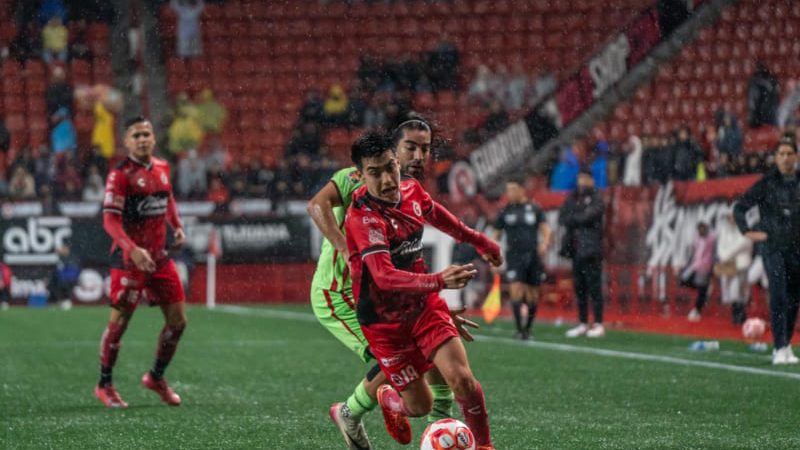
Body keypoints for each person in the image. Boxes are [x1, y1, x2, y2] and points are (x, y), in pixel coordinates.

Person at [308, 114, 469, 450]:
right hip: (342, 294)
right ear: (394, 149)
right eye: (410, 147)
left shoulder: (408, 191)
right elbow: (316, 204)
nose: (418, 156)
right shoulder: (357, 178)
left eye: (424, 149)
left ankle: (440, 421)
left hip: (390, 296)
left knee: (434, 344)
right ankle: (350, 412)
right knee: (399, 355)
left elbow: (406, 263)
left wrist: (434, 311)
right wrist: (343, 247)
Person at [344, 131, 501, 450]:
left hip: (422, 305)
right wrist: (441, 280)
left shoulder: (411, 190)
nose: (387, 180)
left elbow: (445, 220)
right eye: (375, 173)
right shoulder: (363, 218)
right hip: (384, 322)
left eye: (391, 167)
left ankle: (484, 446)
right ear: (360, 176)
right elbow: (385, 277)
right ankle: (389, 399)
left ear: (397, 162)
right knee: (420, 407)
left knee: (462, 380)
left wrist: (480, 241)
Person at [95, 116, 188, 408]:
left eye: (147, 133)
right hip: (129, 261)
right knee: (119, 324)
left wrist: (177, 224)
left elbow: (167, 198)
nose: (143, 139)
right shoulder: (120, 174)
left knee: (178, 323)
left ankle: (156, 377)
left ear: (154, 138)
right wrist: (132, 249)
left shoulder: (162, 167)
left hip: (160, 259)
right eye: (136, 135)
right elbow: (109, 220)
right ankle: (104, 384)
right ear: (126, 141)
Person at [734, 136, 800, 365]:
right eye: (781, 154)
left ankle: (785, 346)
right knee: (779, 295)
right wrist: (748, 231)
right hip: (773, 247)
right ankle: (779, 346)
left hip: (796, 248)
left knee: (793, 299)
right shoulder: (767, 182)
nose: (784, 158)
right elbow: (740, 207)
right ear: (775, 157)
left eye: (789, 153)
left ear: (796, 156)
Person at [493, 179, 551, 340]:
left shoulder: (535, 208)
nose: (509, 193)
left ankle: (528, 328)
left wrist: (545, 243)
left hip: (533, 256)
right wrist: (493, 254)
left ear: (522, 190)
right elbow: (496, 234)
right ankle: (519, 329)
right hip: (514, 256)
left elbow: (545, 229)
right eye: (508, 190)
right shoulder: (505, 211)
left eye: (512, 189)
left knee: (532, 294)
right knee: (516, 289)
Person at [560, 168, 606, 338]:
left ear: (591, 181)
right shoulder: (573, 197)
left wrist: (575, 218)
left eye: (585, 179)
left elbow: (588, 217)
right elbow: (563, 217)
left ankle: (599, 323)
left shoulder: (596, 198)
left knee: (594, 288)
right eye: (580, 178)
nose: (581, 182)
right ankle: (583, 323)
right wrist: (577, 218)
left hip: (591, 250)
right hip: (575, 249)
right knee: (579, 288)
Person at [716, 212, 753, 325]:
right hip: (728, 266)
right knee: (731, 293)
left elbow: (742, 244)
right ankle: (736, 315)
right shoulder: (725, 230)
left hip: (741, 265)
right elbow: (721, 246)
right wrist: (723, 256)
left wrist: (726, 255)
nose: (730, 219)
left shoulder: (745, 229)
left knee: (739, 291)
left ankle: (740, 315)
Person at [682, 222, 716, 322]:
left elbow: (714, 252)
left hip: (705, 266)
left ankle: (697, 310)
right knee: (684, 281)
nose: (700, 231)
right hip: (695, 266)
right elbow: (694, 252)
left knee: (701, 291)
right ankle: (706, 288)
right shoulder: (697, 238)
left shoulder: (711, 238)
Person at [49, 240, 81, 311]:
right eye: (61, 248)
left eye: (64, 248)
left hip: (70, 279)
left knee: (63, 284)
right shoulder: (60, 258)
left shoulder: (72, 258)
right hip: (60, 279)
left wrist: (62, 276)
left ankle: (66, 301)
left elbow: (74, 272)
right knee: (52, 283)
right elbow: (56, 270)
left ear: (67, 249)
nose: (62, 250)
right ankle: (54, 302)